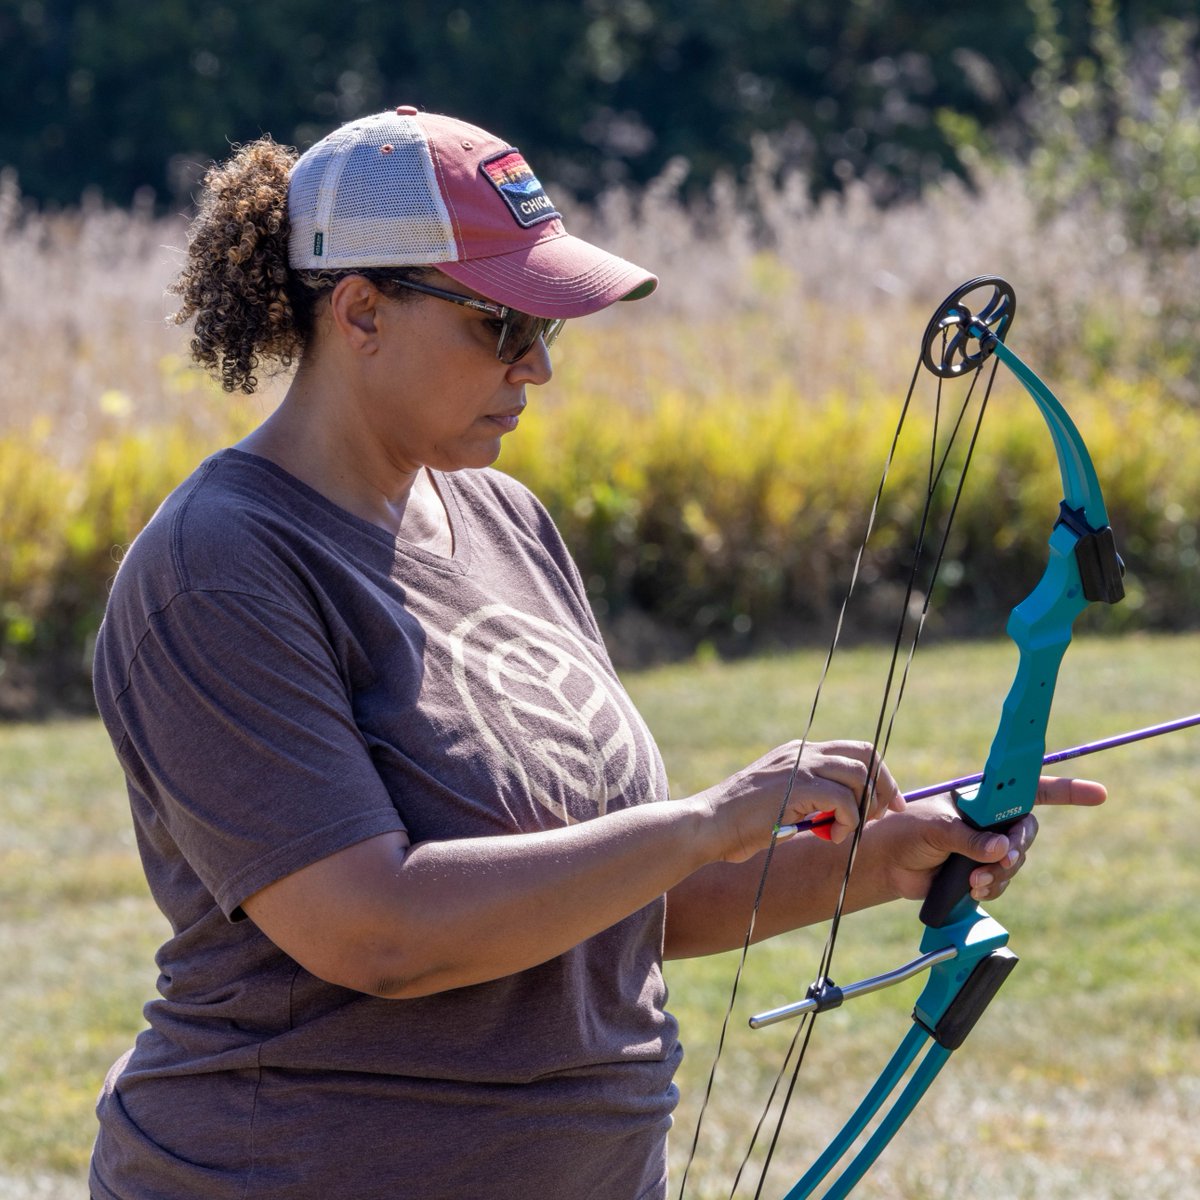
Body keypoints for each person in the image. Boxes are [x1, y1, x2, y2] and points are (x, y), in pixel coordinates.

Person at [89, 106, 1105, 1200]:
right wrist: (706, 820)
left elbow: (619, 904)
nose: (536, 368)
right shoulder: (220, 567)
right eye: (500, 324)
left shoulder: (505, 521)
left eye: (548, 330)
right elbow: (373, 931)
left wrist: (876, 860)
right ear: (362, 310)